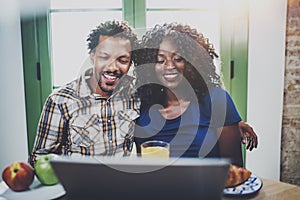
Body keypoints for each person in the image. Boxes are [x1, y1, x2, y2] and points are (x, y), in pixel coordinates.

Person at [134, 22, 257, 167]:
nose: (169, 66)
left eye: (178, 59)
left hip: (207, 189)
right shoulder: (140, 104)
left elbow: (234, 170)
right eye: (160, 60)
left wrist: (232, 124)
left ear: (191, 62)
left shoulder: (217, 100)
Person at [29, 20, 141, 166]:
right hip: (79, 185)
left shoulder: (136, 95)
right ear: (92, 56)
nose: (112, 67)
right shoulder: (60, 100)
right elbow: (39, 158)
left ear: (130, 63)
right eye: (104, 57)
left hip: (120, 183)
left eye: (122, 60)